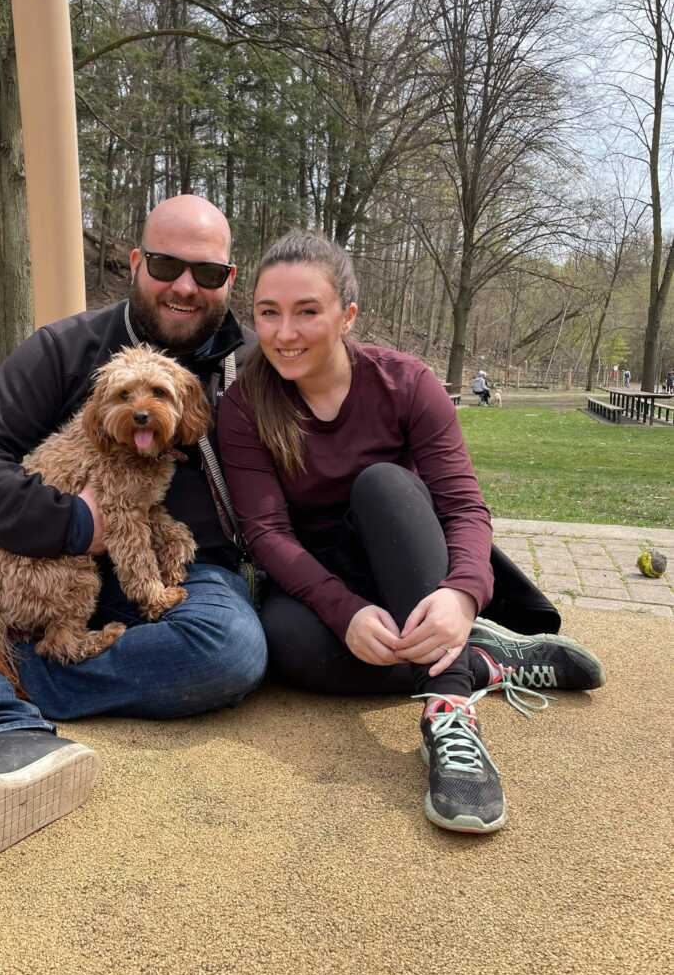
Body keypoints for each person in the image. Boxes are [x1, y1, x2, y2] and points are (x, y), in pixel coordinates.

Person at [0, 195, 267, 873]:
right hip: (40, 556)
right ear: (136, 262)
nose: (186, 286)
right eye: (165, 264)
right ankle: (7, 736)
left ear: (230, 278)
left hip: (177, 579)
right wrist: (73, 525)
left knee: (232, 651)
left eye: (208, 273)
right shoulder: (67, 347)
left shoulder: (256, 366)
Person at [217, 232, 605, 836]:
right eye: (269, 313)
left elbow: (465, 509)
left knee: (384, 485)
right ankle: (478, 659)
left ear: (347, 316)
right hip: (322, 582)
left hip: (410, 557)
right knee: (282, 643)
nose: (284, 333)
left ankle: (449, 707)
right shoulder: (245, 405)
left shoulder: (407, 383)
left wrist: (462, 595)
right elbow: (266, 533)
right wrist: (343, 610)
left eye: (306, 311)